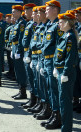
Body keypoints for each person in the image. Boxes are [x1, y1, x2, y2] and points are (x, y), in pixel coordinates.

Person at [40, 0, 63, 129]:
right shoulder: (49, 25)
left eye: (48, 9)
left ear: (55, 10)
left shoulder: (57, 26)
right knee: (49, 88)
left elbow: (59, 47)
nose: (46, 11)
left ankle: (58, 117)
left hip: (53, 61)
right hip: (46, 60)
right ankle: (53, 114)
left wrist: (55, 65)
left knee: (54, 89)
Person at [53, 12, 78, 132]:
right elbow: (57, 54)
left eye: (61, 22)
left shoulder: (70, 37)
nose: (59, 24)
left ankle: (66, 128)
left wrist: (66, 73)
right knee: (62, 100)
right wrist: (55, 67)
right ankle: (65, 126)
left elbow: (70, 57)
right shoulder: (64, 35)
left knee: (65, 102)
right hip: (60, 71)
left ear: (68, 23)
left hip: (65, 73)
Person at [21, 3, 37, 108]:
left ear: (32, 11)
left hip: (32, 54)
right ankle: (32, 99)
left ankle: (34, 100)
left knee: (33, 79)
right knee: (30, 78)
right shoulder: (29, 23)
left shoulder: (34, 25)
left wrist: (30, 55)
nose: (25, 13)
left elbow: (34, 42)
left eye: (27, 11)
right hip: (26, 52)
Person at [10, 5, 28, 99]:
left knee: (20, 71)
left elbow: (21, 38)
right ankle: (20, 90)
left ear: (19, 12)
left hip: (18, 49)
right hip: (14, 47)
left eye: (14, 11)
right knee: (17, 71)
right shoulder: (16, 23)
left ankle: (23, 92)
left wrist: (18, 51)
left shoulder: (22, 23)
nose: (12, 13)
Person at [73, 7, 81, 113]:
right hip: (78, 56)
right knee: (78, 81)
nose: (76, 16)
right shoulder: (77, 26)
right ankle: (77, 101)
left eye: (78, 14)